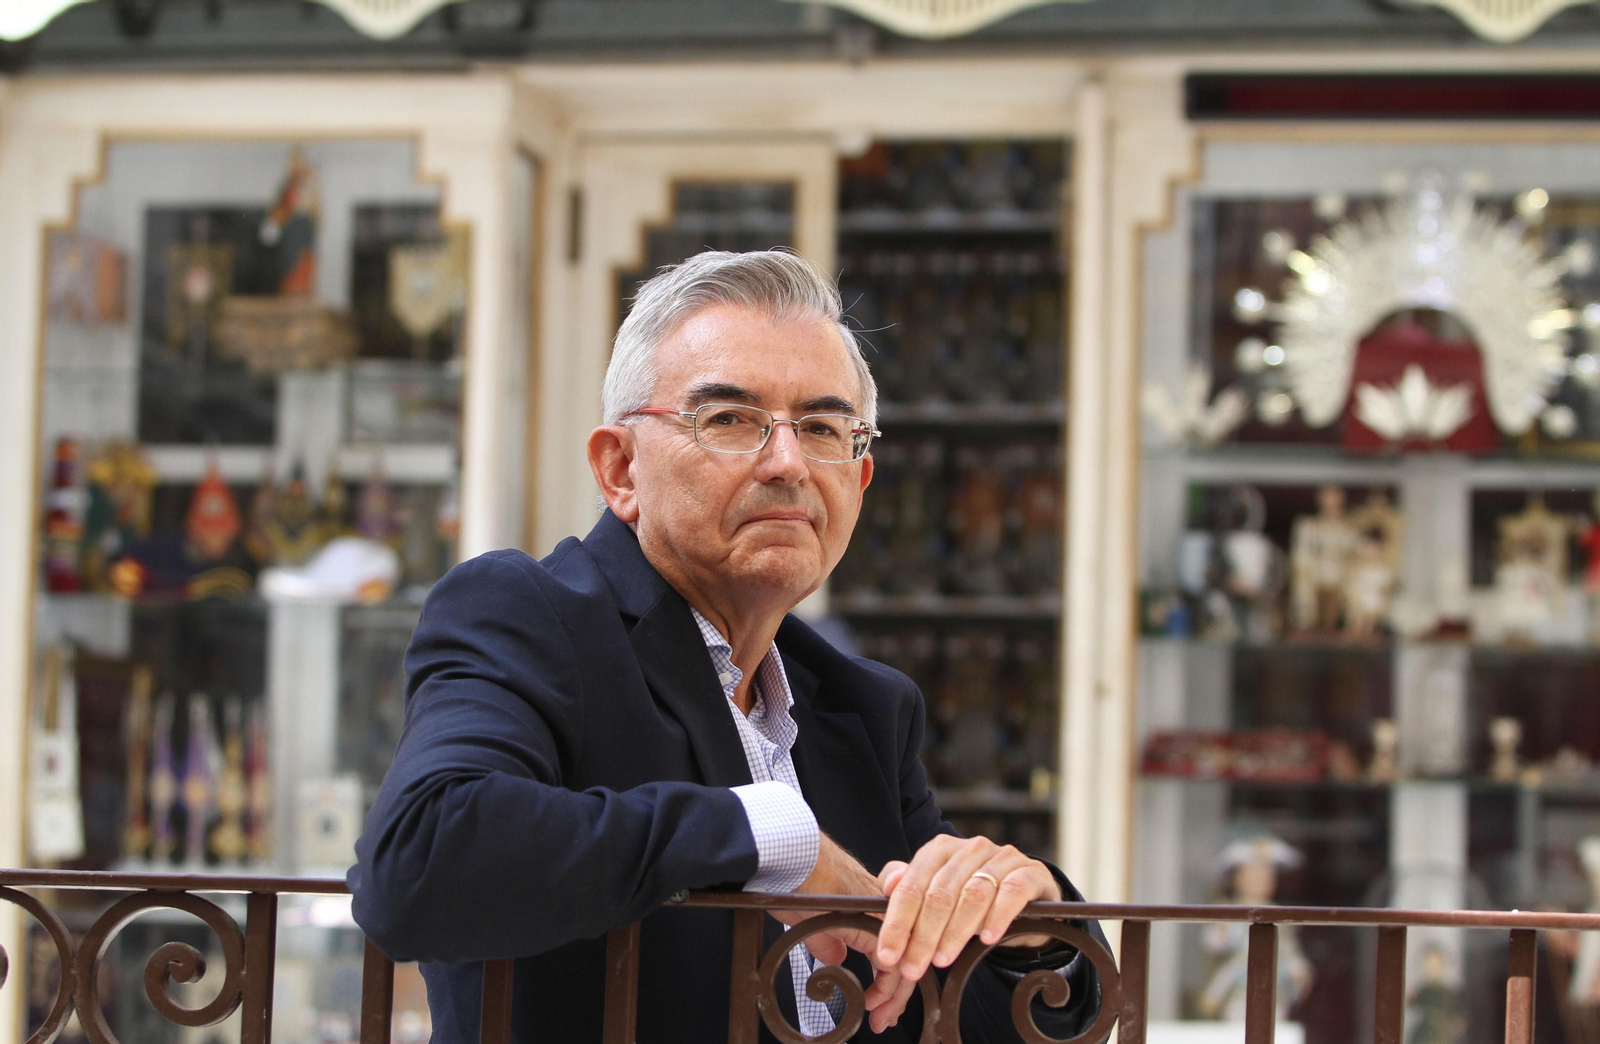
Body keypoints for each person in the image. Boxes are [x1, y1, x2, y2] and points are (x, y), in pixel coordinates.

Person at [349, 249, 1106, 1043]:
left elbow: (954, 1020)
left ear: (860, 480)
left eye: (822, 428)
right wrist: (767, 839)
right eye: (731, 420)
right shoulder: (532, 618)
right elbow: (416, 861)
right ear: (620, 470)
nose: (787, 464)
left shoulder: (863, 708)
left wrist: (1027, 929)